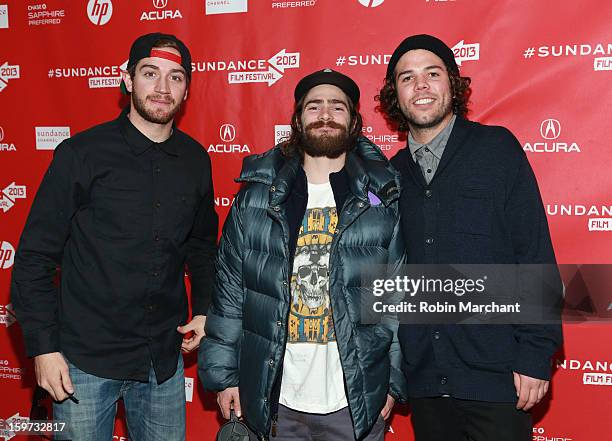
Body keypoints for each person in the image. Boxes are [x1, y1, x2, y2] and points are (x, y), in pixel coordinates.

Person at [11, 32, 217, 441]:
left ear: (187, 89)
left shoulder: (196, 160)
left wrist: (206, 310)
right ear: (127, 80)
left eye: (175, 77)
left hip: (162, 361)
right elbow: (35, 257)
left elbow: (202, 248)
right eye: (150, 73)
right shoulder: (80, 154)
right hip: (82, 363)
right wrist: (43, 348)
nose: (162, 88)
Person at [199, 69, 407, 441]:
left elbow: (396, 300)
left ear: (354, 120)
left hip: (355, 402)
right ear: (298, 119)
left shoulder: (382, 200)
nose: (325, 114)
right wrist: (224, 376)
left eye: (337, 107)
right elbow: (230, 292)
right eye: (314, 106)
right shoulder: (256, 199)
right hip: (276, 398)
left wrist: (392, 383)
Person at [376, 34, 563, 441]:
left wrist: (535, 353)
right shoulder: (390, 176)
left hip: (498, 380)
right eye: (407, 77)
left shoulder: (496, 149)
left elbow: (533, 252)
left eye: (432, 73)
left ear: (453, 83)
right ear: (395, 94)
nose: (421, 85)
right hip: (425, 383)